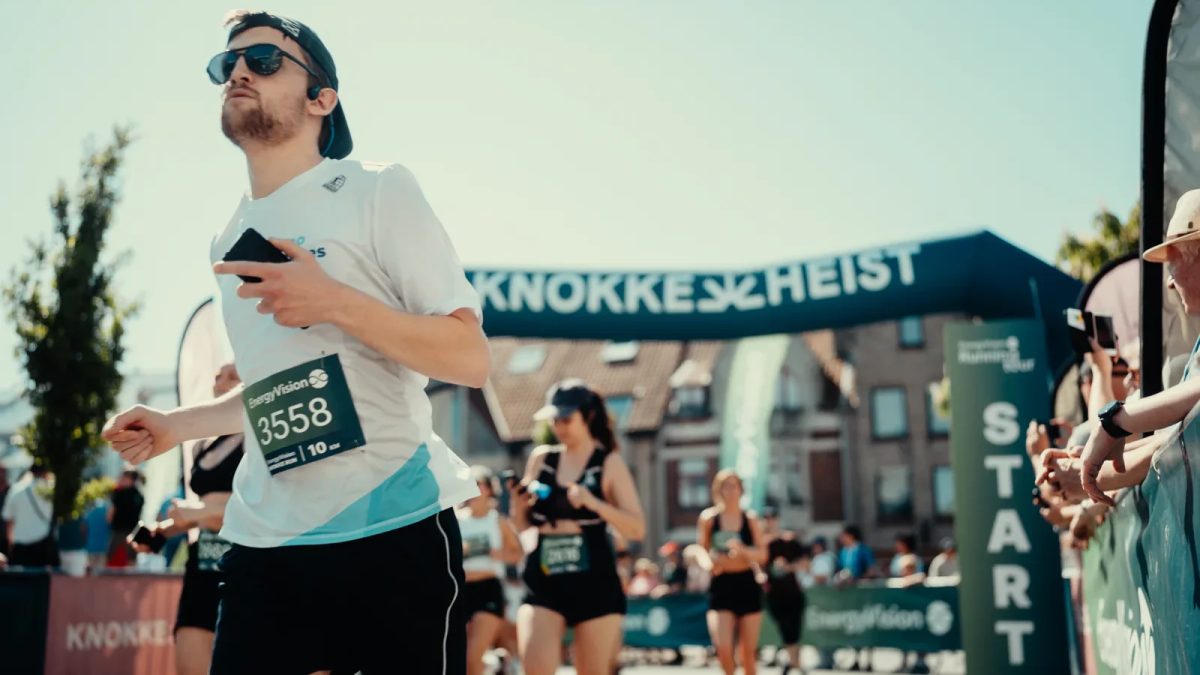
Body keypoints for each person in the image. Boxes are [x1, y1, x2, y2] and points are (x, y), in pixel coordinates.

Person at [101, 10, 490, 673]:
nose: (239, 72)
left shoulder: (375, 189)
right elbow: (285, 386)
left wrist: (333, 299)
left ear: (322, 99)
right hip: (267, 541)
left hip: (391, 528)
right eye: (228, 64)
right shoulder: (227, 239)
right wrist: (177, 424)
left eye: (263, 58)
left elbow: (469, 356)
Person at [510, 379, 646, 675]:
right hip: (544, 574)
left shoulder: (608, 463)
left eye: (567, 418)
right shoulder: (542, 458)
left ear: (589, 416)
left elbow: (636, 529)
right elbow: (523, 527)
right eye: (555, 419)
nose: (559, 426)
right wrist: (518, 508)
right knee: (535, 669)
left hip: (594, 578)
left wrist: (595, 503)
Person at [128, 363, 244, 675]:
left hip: (245, 560)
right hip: (204, 560)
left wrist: (199, 512)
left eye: (232, 375)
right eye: (217, 375)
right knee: (188, 664)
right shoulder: (205, 444)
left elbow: (260, 505)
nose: (221, 381)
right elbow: (201, 509)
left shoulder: (259, 437)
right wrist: (161, 532)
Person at [697, 470, 768, 675]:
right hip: (721, 584)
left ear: (741, 490)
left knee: (747, 655)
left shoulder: (750, 518)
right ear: (718, 490)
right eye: (726, 485)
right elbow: (701, 549)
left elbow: (762, 554)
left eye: (734, 485)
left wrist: (742, 550)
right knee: (723, 647)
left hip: (746, 584)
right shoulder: (709, 518)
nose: (731, 490)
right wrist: (710, 562)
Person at [457, 466, 523, 675]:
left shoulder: (498, 520)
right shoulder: (457, 520)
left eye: (478, 484)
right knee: (461, 658)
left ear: (488, 489)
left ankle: (496, 663)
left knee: (472, 656)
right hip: (460, 590)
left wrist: (498, 554)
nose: (473, 490)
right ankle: (496, 665)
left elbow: (518, 554)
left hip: (488, 589)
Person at [762, 507, 807, 675]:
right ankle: (794, 663)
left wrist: (788, 567)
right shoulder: (761, 543)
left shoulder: (789, 540)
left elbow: (804, 563)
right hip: (774, 594)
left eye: (772, 518)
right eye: (766, 518)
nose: (769, 521)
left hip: (793, 592)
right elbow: (757, 565)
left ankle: (795, 663)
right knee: (785, 628)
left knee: (795, 629)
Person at [1, 466, 58, 568]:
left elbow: (8, 520)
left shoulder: (16, 489)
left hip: (19, 547)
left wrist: (10, 545)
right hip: (43, 544)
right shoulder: (50, 490)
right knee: (41, 580)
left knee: (18, 581)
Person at [106, 468, 144, 568]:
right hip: (133, 531)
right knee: (131, 561)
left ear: (129, 479)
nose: (120, 479)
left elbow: (109, 516)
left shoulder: (118, 494)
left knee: (112, 559)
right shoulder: (139, 495)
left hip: (119, 531)